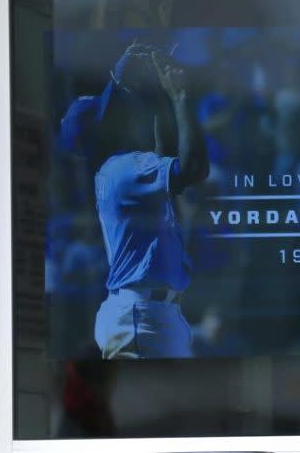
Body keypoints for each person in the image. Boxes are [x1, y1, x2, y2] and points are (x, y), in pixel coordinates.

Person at [61, 42, 208, 359]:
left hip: (141, 313)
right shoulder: (126, 170)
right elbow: (193, 168)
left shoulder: (116, 170)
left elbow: (163, 156)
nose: (121, 109)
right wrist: (179, 96)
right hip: (144, 319)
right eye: (111, 110)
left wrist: (157, 96)